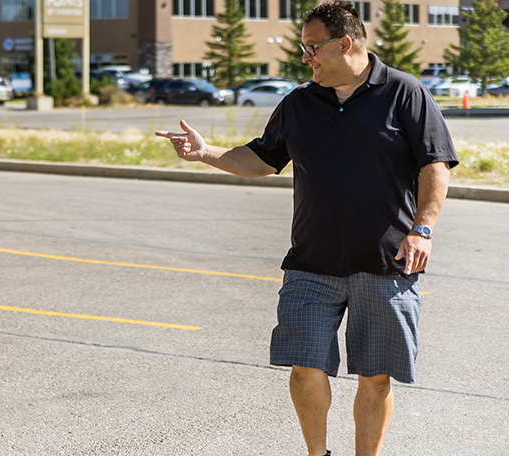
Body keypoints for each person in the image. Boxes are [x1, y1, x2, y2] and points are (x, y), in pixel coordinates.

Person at [156, 2, 457, 455]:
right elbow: (262, 158)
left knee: (375, 378)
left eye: (311, 47)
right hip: (311, 262)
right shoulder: (299, 101)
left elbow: (435, 163)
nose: (305, 57)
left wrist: (423, 229)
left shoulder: (404, 93)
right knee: (303, 367)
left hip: (386, 262)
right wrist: (206, 153)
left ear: (345, 43)